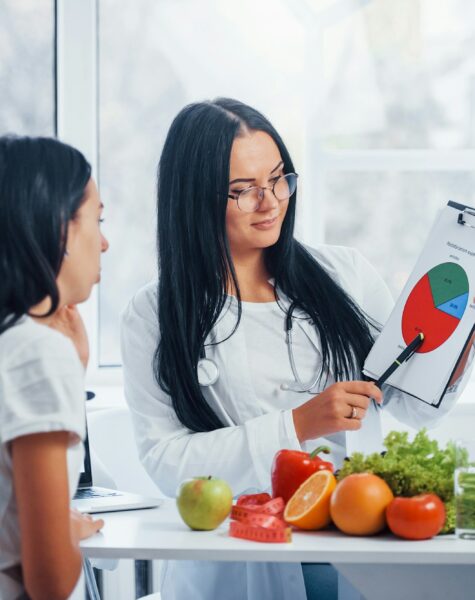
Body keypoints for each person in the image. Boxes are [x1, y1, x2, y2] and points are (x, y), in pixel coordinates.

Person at [121, 98, 469, 600]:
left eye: (279, 178)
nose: (270, 201)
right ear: (193, 198)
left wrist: (459, 342)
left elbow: (415, 406)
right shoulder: (155, 314)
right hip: (239, 565)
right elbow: (165, 462)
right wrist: (298, 425)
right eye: (243, 191)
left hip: (352, 552)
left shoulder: (343, 273)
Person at [0, 136, 108, 600]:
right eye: (97, 220)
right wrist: (66, 532)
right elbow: (50, 582)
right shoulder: (39, 353)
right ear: (60, 229)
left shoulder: (16, 342)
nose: (104, 243)